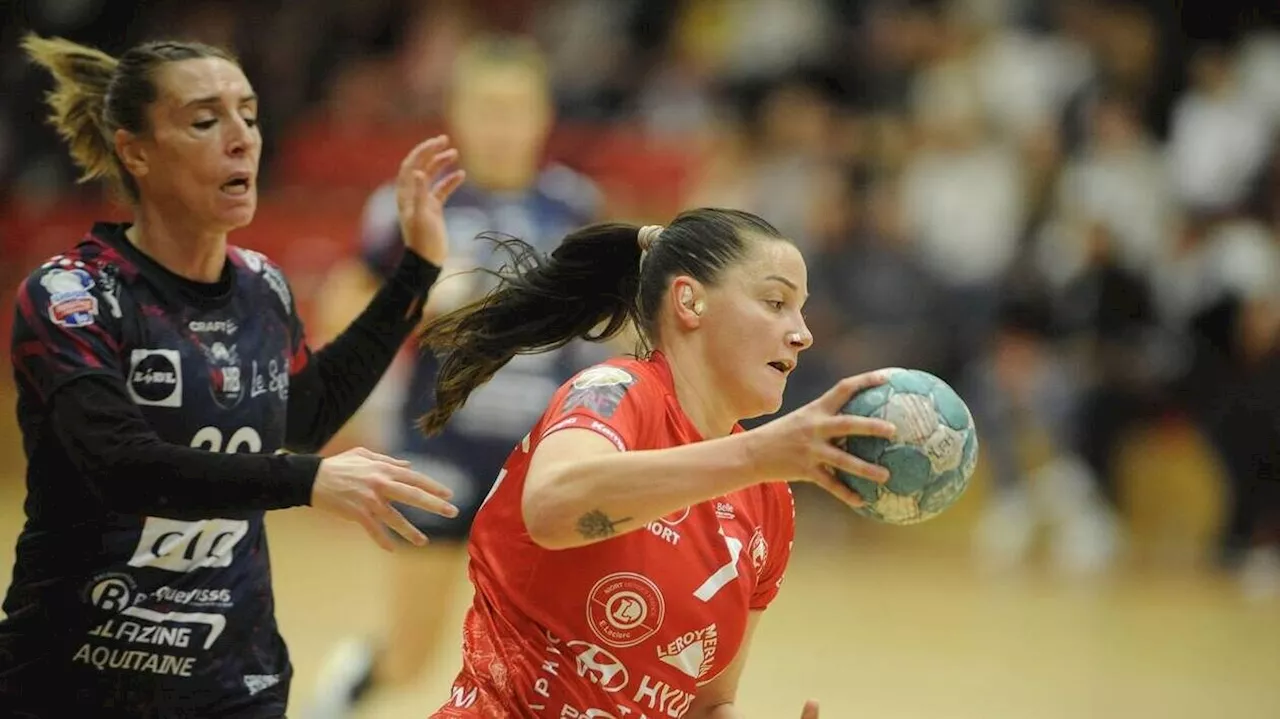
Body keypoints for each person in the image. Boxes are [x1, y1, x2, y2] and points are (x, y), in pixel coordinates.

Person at [1, 34, 466, 718]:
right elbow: (120, 467)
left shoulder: (262, 287)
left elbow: (303, 417)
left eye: (248, 113)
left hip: (229, 679)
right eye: (204, 119)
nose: (242, 136)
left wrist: (416, 270)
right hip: (77, 676)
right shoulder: (74, 294)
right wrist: (306, 482)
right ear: (135, 151)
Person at [417, 208, 896, 718]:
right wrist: (757, 454)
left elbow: (707, 704)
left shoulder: (767, 500)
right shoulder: (616, 393)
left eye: (801, 311)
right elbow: (553, 508)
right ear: (690, 301)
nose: (802, 333)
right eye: (776, 302)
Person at [305, 34, 610, 717]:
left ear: (543, 116)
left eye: (516, 109)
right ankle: (344, 693)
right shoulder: (412, 201)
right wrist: (422, 301)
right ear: (458, 116)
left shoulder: (575, 205)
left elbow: (600, 323)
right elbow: (348, 297)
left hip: (540, 458)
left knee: (551, 652)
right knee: (413, 652)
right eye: (487, 109)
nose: (502, 125)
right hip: (437, 449)